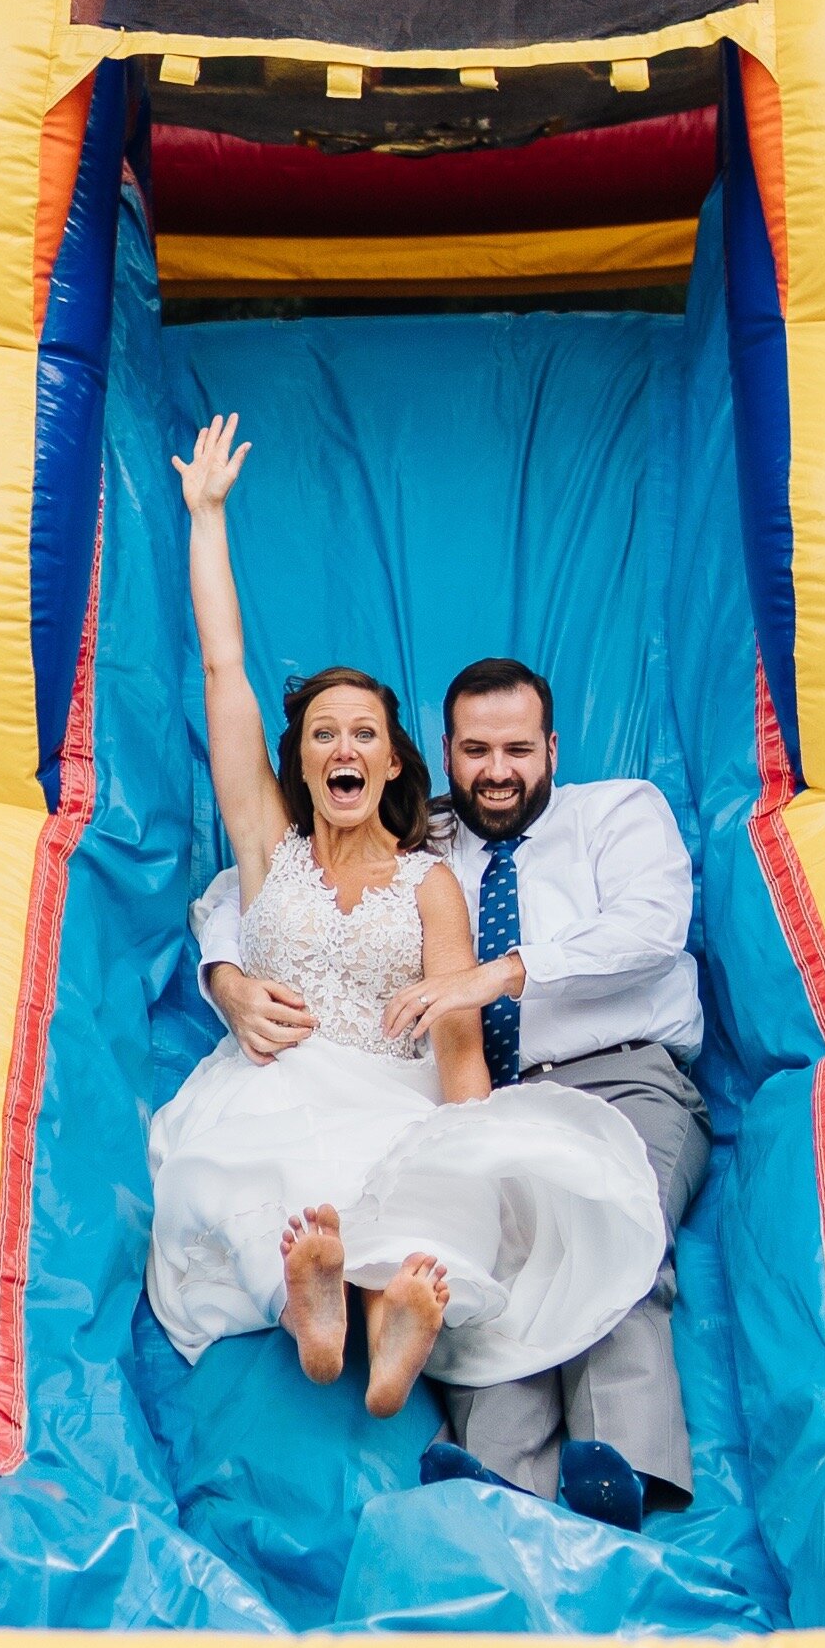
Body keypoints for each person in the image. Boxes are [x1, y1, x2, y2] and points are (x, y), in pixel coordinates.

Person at [149, 414, 666, 1441]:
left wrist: (477, 1146)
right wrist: (205, 519)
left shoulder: (431, 881)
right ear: (300, 763)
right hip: (279, 1086)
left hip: (391, 1088)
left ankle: (384, 1325)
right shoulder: (267, 850)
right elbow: (224, 676)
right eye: (323, 735)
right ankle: (316, 1301)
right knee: (274, 1173)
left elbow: (457, 1041)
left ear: (392, 763)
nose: (343, 747)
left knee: (422, 1185)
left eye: (364, 735)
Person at [199, 650, 711, 1528]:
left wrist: (496, 975)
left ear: (552, 745)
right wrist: (226, 977)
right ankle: (496, 1474)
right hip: (475, 1087)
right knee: (485, 1253)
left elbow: (651, 930)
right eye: (476, 751)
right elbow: (262, 885)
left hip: (619, 1073)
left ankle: (618, 1467)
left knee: (612, 1220)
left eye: (518, 750)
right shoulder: (425, 838)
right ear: (443, 750)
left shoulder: (618, 813)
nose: (498, 771)